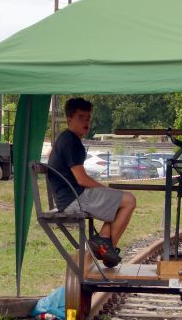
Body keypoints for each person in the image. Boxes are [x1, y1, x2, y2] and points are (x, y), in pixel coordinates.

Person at [48, 97, 136, 267]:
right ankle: (108, 247)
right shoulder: (71, 141)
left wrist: (108, 194)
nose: (86, 122)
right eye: (81, 118)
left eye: (88, 118)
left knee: (118, 200)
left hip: (70, 197)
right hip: (73, 198)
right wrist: (106, 191)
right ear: (69, 120)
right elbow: (81, 179)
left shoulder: (68, 139)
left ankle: (103, 238)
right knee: (129, 201)